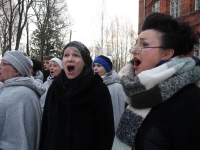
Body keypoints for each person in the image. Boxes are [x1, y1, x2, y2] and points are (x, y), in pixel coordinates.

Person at [112, 12, 200, 150]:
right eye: (136, 44)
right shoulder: (137, 95)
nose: (133, 50)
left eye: (144, 44)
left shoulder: (191, 100)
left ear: (167, 54)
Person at [40, 41, 115, 150]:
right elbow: (45, 128)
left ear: (85, 62)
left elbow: (106, 134)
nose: (70, 58)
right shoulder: (54, 88)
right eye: (66, 55)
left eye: (75, 55)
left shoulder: (98, 89)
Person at [0, 50, 45, 150]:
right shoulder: (10, 90)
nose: (0, 67)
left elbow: (18, 142)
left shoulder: (20, 95)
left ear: (17, 70)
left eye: (4, 64)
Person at [93, 55, 126, 132]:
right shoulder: (92, 86)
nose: (95, 68)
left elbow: (122, 111)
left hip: (113, 130)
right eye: (94, 65)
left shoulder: (117, 87)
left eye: (99, 65)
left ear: (107, 68)